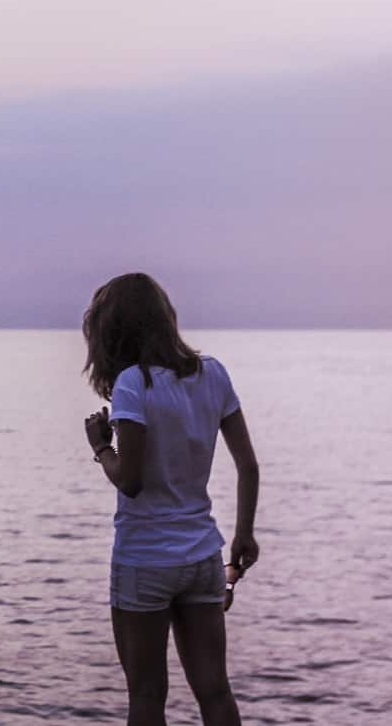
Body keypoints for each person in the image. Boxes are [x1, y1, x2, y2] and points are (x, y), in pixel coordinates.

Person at [81, 272, 260, 726]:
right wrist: (244, 534)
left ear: (112, 331)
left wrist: (102, 447)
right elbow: (248, 466)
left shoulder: (132, 384)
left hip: (145, 561)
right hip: (202, 555)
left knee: (146, 696)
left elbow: (132, 480)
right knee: (215, 691)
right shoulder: (213, 373)